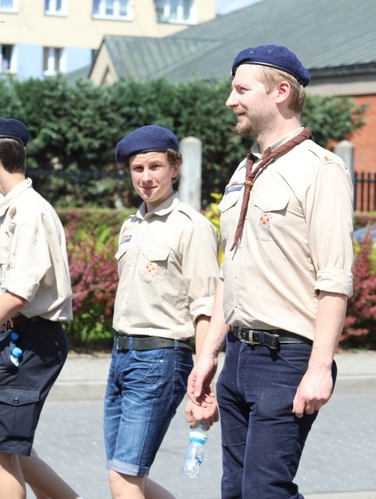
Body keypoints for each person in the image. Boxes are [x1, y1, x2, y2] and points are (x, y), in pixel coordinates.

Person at [187, 45, 354, 498]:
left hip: (288, 360)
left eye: (241, 89)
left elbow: (334, 279)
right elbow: (231, 272)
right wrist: (206, 356)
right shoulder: (245, 172)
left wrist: (320, 368)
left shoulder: (321, 170)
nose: (230, 100)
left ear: (281, 92)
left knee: (266, 491)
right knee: (237, 492)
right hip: (238, 358)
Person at [0, 117, 80, 499]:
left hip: (30, 337)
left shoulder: (28, 210)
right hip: (16, 334)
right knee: (4, 448)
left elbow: (19, 292)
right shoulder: (11, 206)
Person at [104, 125, 220, 498]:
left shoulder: (192, 228)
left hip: (159, 359)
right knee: (125, 475)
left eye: (155, 166)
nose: (146, 177)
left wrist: (203, 383)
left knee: (124, 479)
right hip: (121, 356)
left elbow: (206, 308)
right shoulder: (131, 225)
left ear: (175, 167)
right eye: (138, 169)